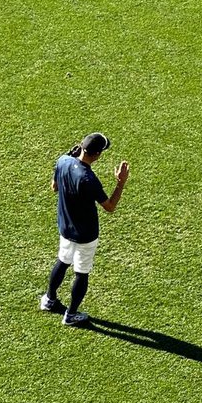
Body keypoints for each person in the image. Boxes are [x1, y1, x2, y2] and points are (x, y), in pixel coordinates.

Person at [39, 132, 129, 326]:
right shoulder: (88, 178)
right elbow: (110, 207)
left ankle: (49, 299)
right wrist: (121, 182)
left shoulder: (63, 160)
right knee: (81, 272)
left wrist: (68, 159)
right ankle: (71, 314)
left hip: (65, 227)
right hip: (86, 234)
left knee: (63, 261)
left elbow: (54, 187)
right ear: (97, 154)